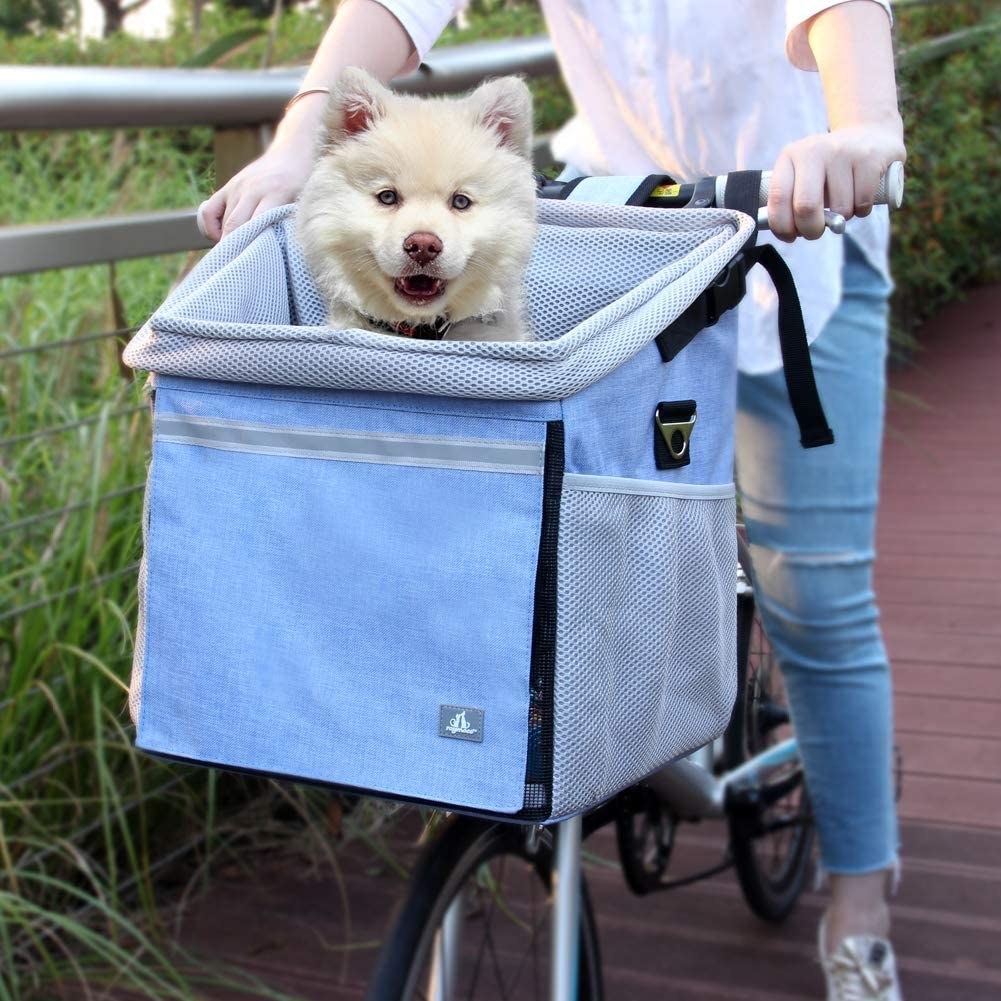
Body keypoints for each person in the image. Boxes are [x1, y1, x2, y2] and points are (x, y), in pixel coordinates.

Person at [199, 2, 907, 998]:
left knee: (815, 596)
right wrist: (290, 149)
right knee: (558, 526)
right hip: (624, 232)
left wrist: (861, 123)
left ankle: (860, 902)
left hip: (800, 226)